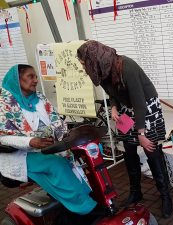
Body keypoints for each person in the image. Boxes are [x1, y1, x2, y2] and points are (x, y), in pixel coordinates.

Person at [77, 40, 173, 218]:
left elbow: (139, 103)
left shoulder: (127, 66)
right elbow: (111, 92)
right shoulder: (102, 69)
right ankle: (136, 191)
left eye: (84, 63)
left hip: (146, 107)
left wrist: (141, 133)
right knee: (128, 150)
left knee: (151, 151)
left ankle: (165, 195)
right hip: (125, 109)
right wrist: (113, 107)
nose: (84, 67)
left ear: (94, 58)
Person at [0, 64, 107, 225]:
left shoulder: (40, 98)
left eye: (35, 76)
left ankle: (79, 205)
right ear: (17, 79)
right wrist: (31, 142)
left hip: (49, 148)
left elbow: (57, 122)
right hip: (21, 154)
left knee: (75, 162)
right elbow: (3, 138)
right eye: (31, 76)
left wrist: (69, 137)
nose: (35, 80)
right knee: (56, 165)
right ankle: (86, 209)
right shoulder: (4, 104)